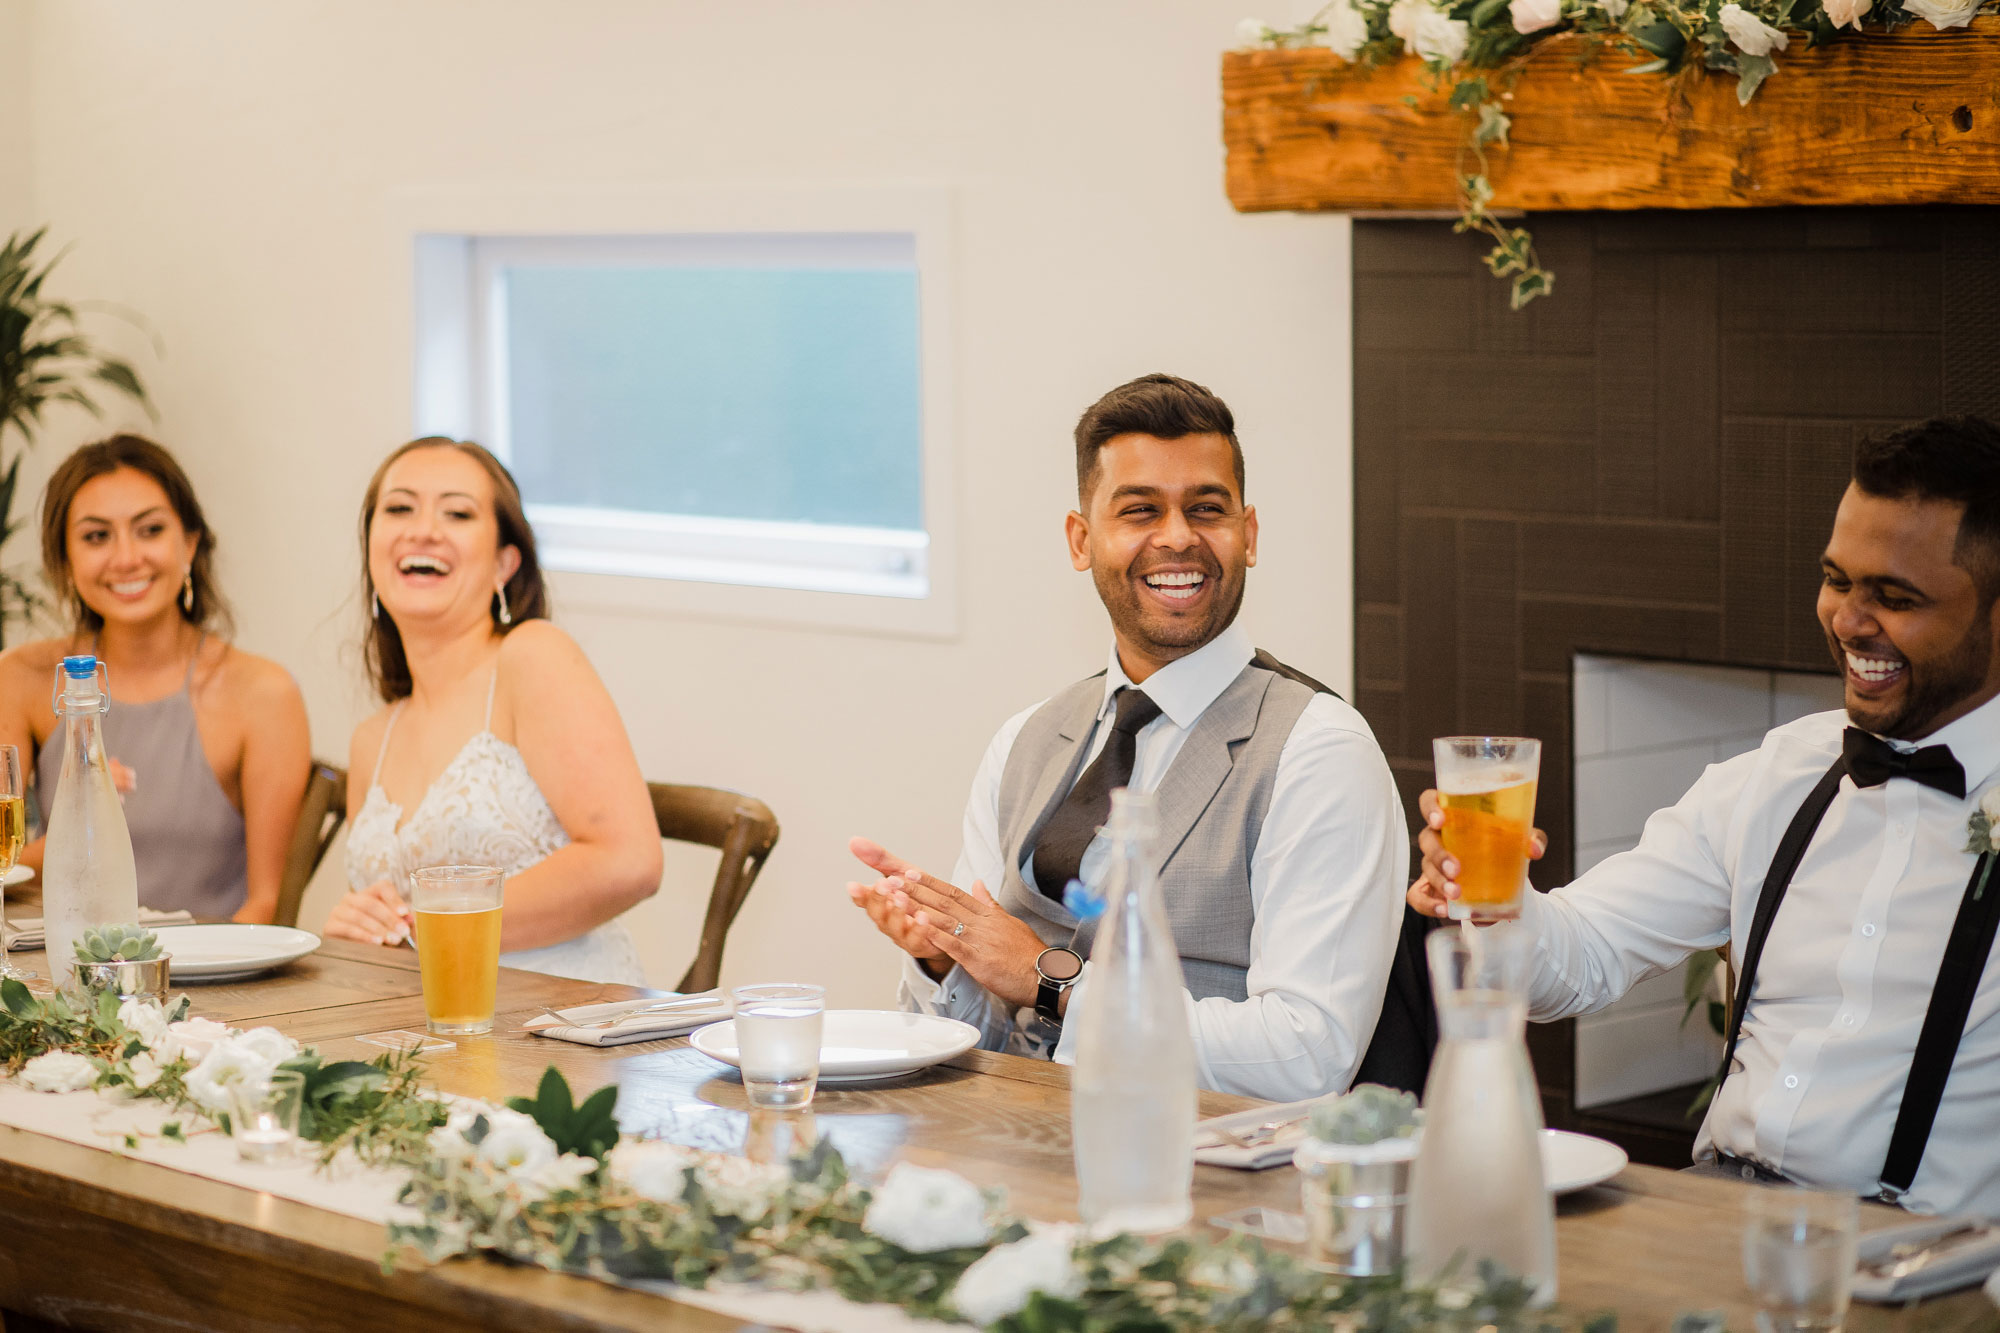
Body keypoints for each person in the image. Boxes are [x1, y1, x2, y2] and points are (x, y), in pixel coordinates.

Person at [1409, 415, 2000, 1216]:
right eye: (1837, 580)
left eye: (1895, 597)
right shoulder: (1778, 775)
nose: (1849, 621)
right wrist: (1495, 896)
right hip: (1708, 1213)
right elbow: (1577, 961)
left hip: (1924, 1260)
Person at [845, 374, 1413, 1101]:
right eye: (1141, 509)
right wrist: (943, 960)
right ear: (1082, 540)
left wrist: (1055, 984)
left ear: (1250, 535)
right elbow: (977, 1040)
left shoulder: (1320, 752)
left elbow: (1309, 1054)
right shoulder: (1025, 740)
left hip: (1208, 1179)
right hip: (1012, 1150)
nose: (1177, 536)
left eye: (1207, 508)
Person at [323, 437, 662, 984]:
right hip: (419, 1027)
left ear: (505, 562)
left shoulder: (532, 657)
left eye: (457, 512)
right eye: (399, 508)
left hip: (562, 1023)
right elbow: (397, 930)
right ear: (371, 547)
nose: (423, 529)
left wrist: (425, 924)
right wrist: (359, 926)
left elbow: (630, 862)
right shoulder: (372, 739)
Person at [0, 435, 310, 921]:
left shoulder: (265, 694)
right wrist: (79, 822)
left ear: (189, 542)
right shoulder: (20, 678)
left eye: (149, 530)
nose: (126, 558)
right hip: (61, 979)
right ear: (65, 560)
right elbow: (3, 869)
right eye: (96, 536)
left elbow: (265, 905)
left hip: (214, 984)